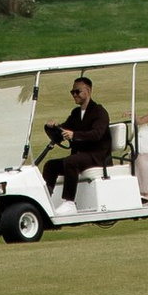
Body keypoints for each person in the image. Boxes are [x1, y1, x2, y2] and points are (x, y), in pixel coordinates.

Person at [40, 73, 114, 201]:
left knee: (71, 161)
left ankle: (68, 202)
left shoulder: (100, 112)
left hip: (97, 156)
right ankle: (46, 200)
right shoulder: (75, 113)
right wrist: (53, 127)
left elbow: (97, 134)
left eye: (77, 91)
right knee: (50, 165)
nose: (74, 95)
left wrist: (74, 135)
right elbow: (65, 129)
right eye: (72, 92)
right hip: (82, 156)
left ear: (88, 91)